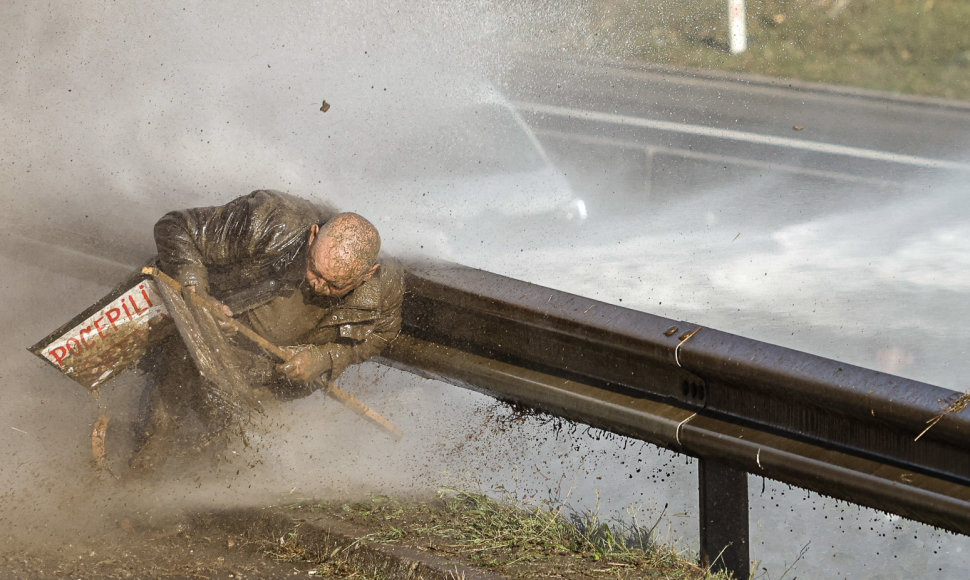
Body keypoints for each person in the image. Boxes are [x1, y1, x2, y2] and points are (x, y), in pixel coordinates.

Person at [131, 189, 404, 471]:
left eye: (336, 285)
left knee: (228, 437)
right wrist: (198, 293)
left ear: (368, 274)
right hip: (207, 331)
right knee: (175, 388)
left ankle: (204, 471)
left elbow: (380, 336)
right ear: (313, 236)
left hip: (270, 374)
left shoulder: (386, 285)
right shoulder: (270, 221)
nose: (317, 286)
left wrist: (325, 358)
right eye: (314, 270)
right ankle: (146, 462)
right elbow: (175, 227)